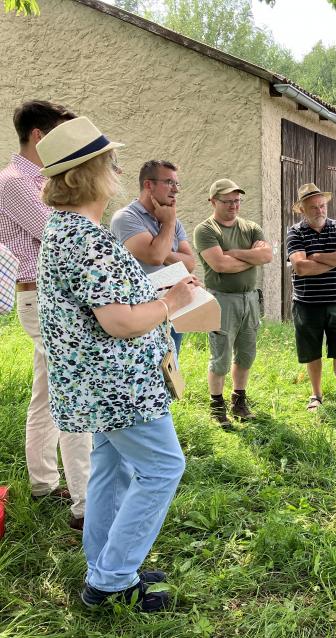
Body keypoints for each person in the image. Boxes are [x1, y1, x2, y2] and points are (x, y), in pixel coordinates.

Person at [35, 116, 196, 611]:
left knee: (110, 467)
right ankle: (111, 581)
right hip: (118, 383)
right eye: (112, 162)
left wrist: (154, 295)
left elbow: (104, 305)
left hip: (95, 383)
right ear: (90, 173)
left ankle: (105, 561)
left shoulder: (67, 230)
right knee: (164, 467)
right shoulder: (88, 238)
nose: (118, 169)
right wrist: (172, 301)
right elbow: (120, 322)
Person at [0, 100, 90, 530]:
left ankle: (43, 483)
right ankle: (85, 504)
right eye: (58, 135)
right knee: (73, 393)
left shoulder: (39, 180)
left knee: (48, 395)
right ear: (39, 136)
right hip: (42, 297)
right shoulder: (15, 182)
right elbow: (60, 236)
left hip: (50, 297)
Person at [194, 179, 272, 427]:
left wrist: (234, 253)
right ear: (213, 201)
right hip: (222, 299)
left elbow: (267, 255)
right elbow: (220, 265)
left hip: (250, 298)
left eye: (237, 200)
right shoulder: (206, 230)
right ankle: (217, 406)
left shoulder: (250, 228)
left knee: (246, 353)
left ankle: (239, 400)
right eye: (227, 201)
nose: (233, 205)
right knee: (221, 356)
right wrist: (252, 257)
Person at [286, 183, 336, 412]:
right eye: (313, 207)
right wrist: (334, 259)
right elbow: (300, 267)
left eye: (322, 205)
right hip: (306, 303)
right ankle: (316, 395)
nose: (320, 210)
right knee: (312, 351)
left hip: (335, 302)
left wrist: (318, 255)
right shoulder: (295, 231)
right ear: (302, 209)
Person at [110, 160, 196, 355]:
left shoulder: (173, 220)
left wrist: (161, 245)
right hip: (142, 312)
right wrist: (168, 223)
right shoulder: (126, 218)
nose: (176, 190)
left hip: (173, 307)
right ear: (149, 185)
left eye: (177, 184)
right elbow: (155, 257)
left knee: (171, 370)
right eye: (169, 182)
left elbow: (190, 264)